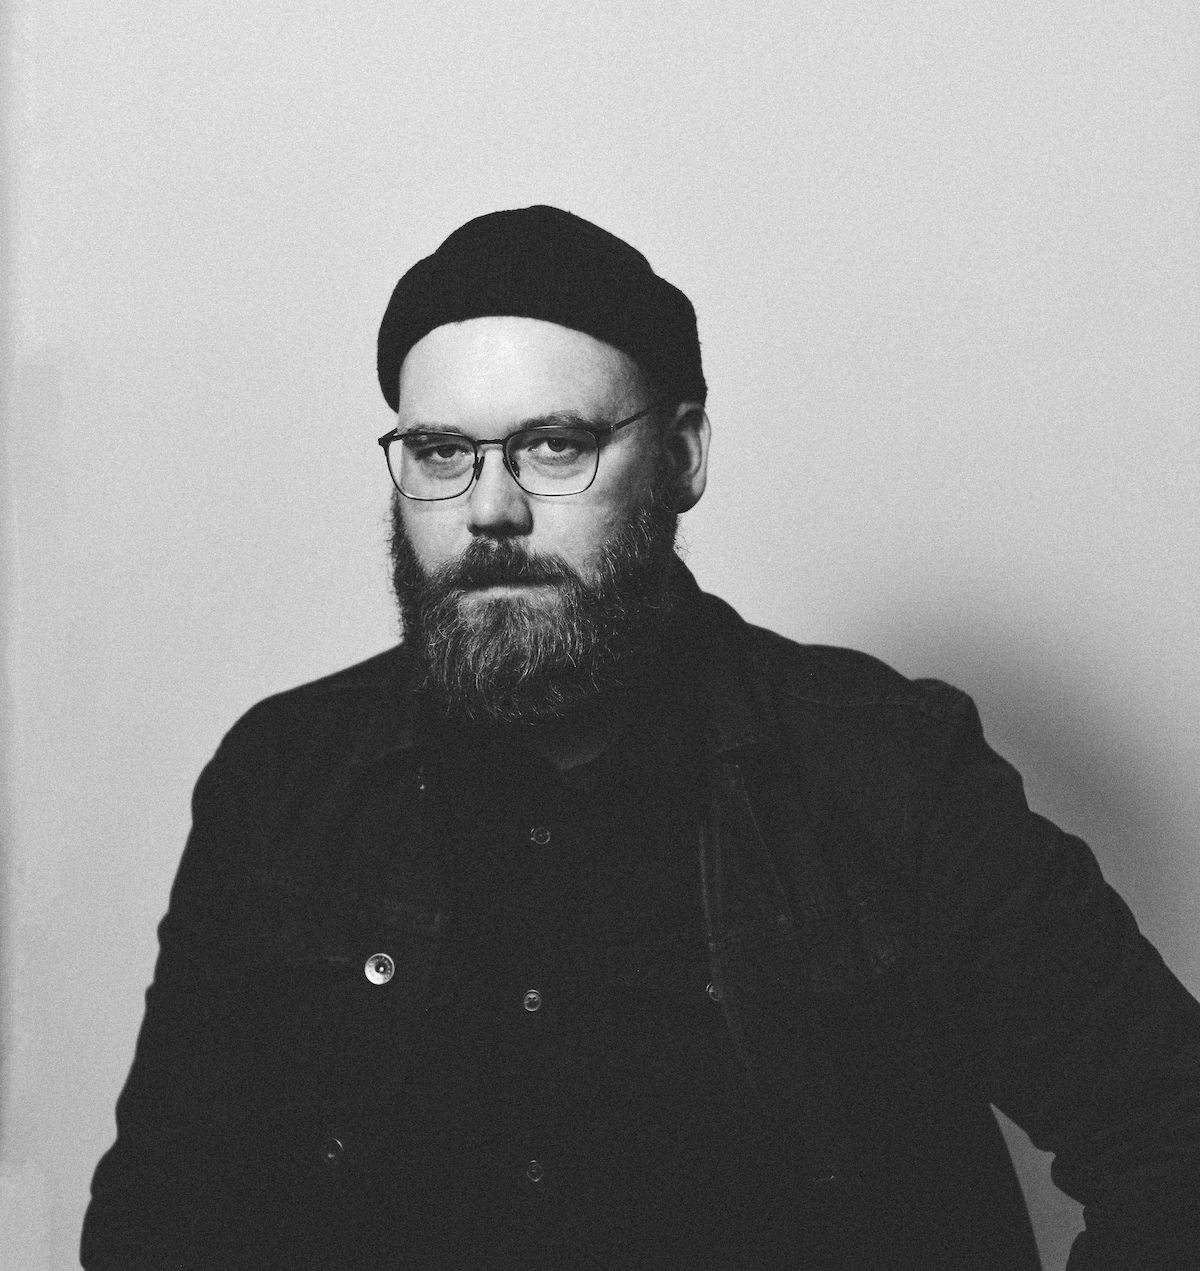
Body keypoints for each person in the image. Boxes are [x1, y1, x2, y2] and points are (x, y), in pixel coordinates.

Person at [82, 206, 1200, 1270]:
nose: (489, 509)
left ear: (681, 458)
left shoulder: (884, 771)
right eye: (440, 452)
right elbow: (157, 1224)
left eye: (555, 445)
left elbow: (1174, 1135)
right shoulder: (282, 782)